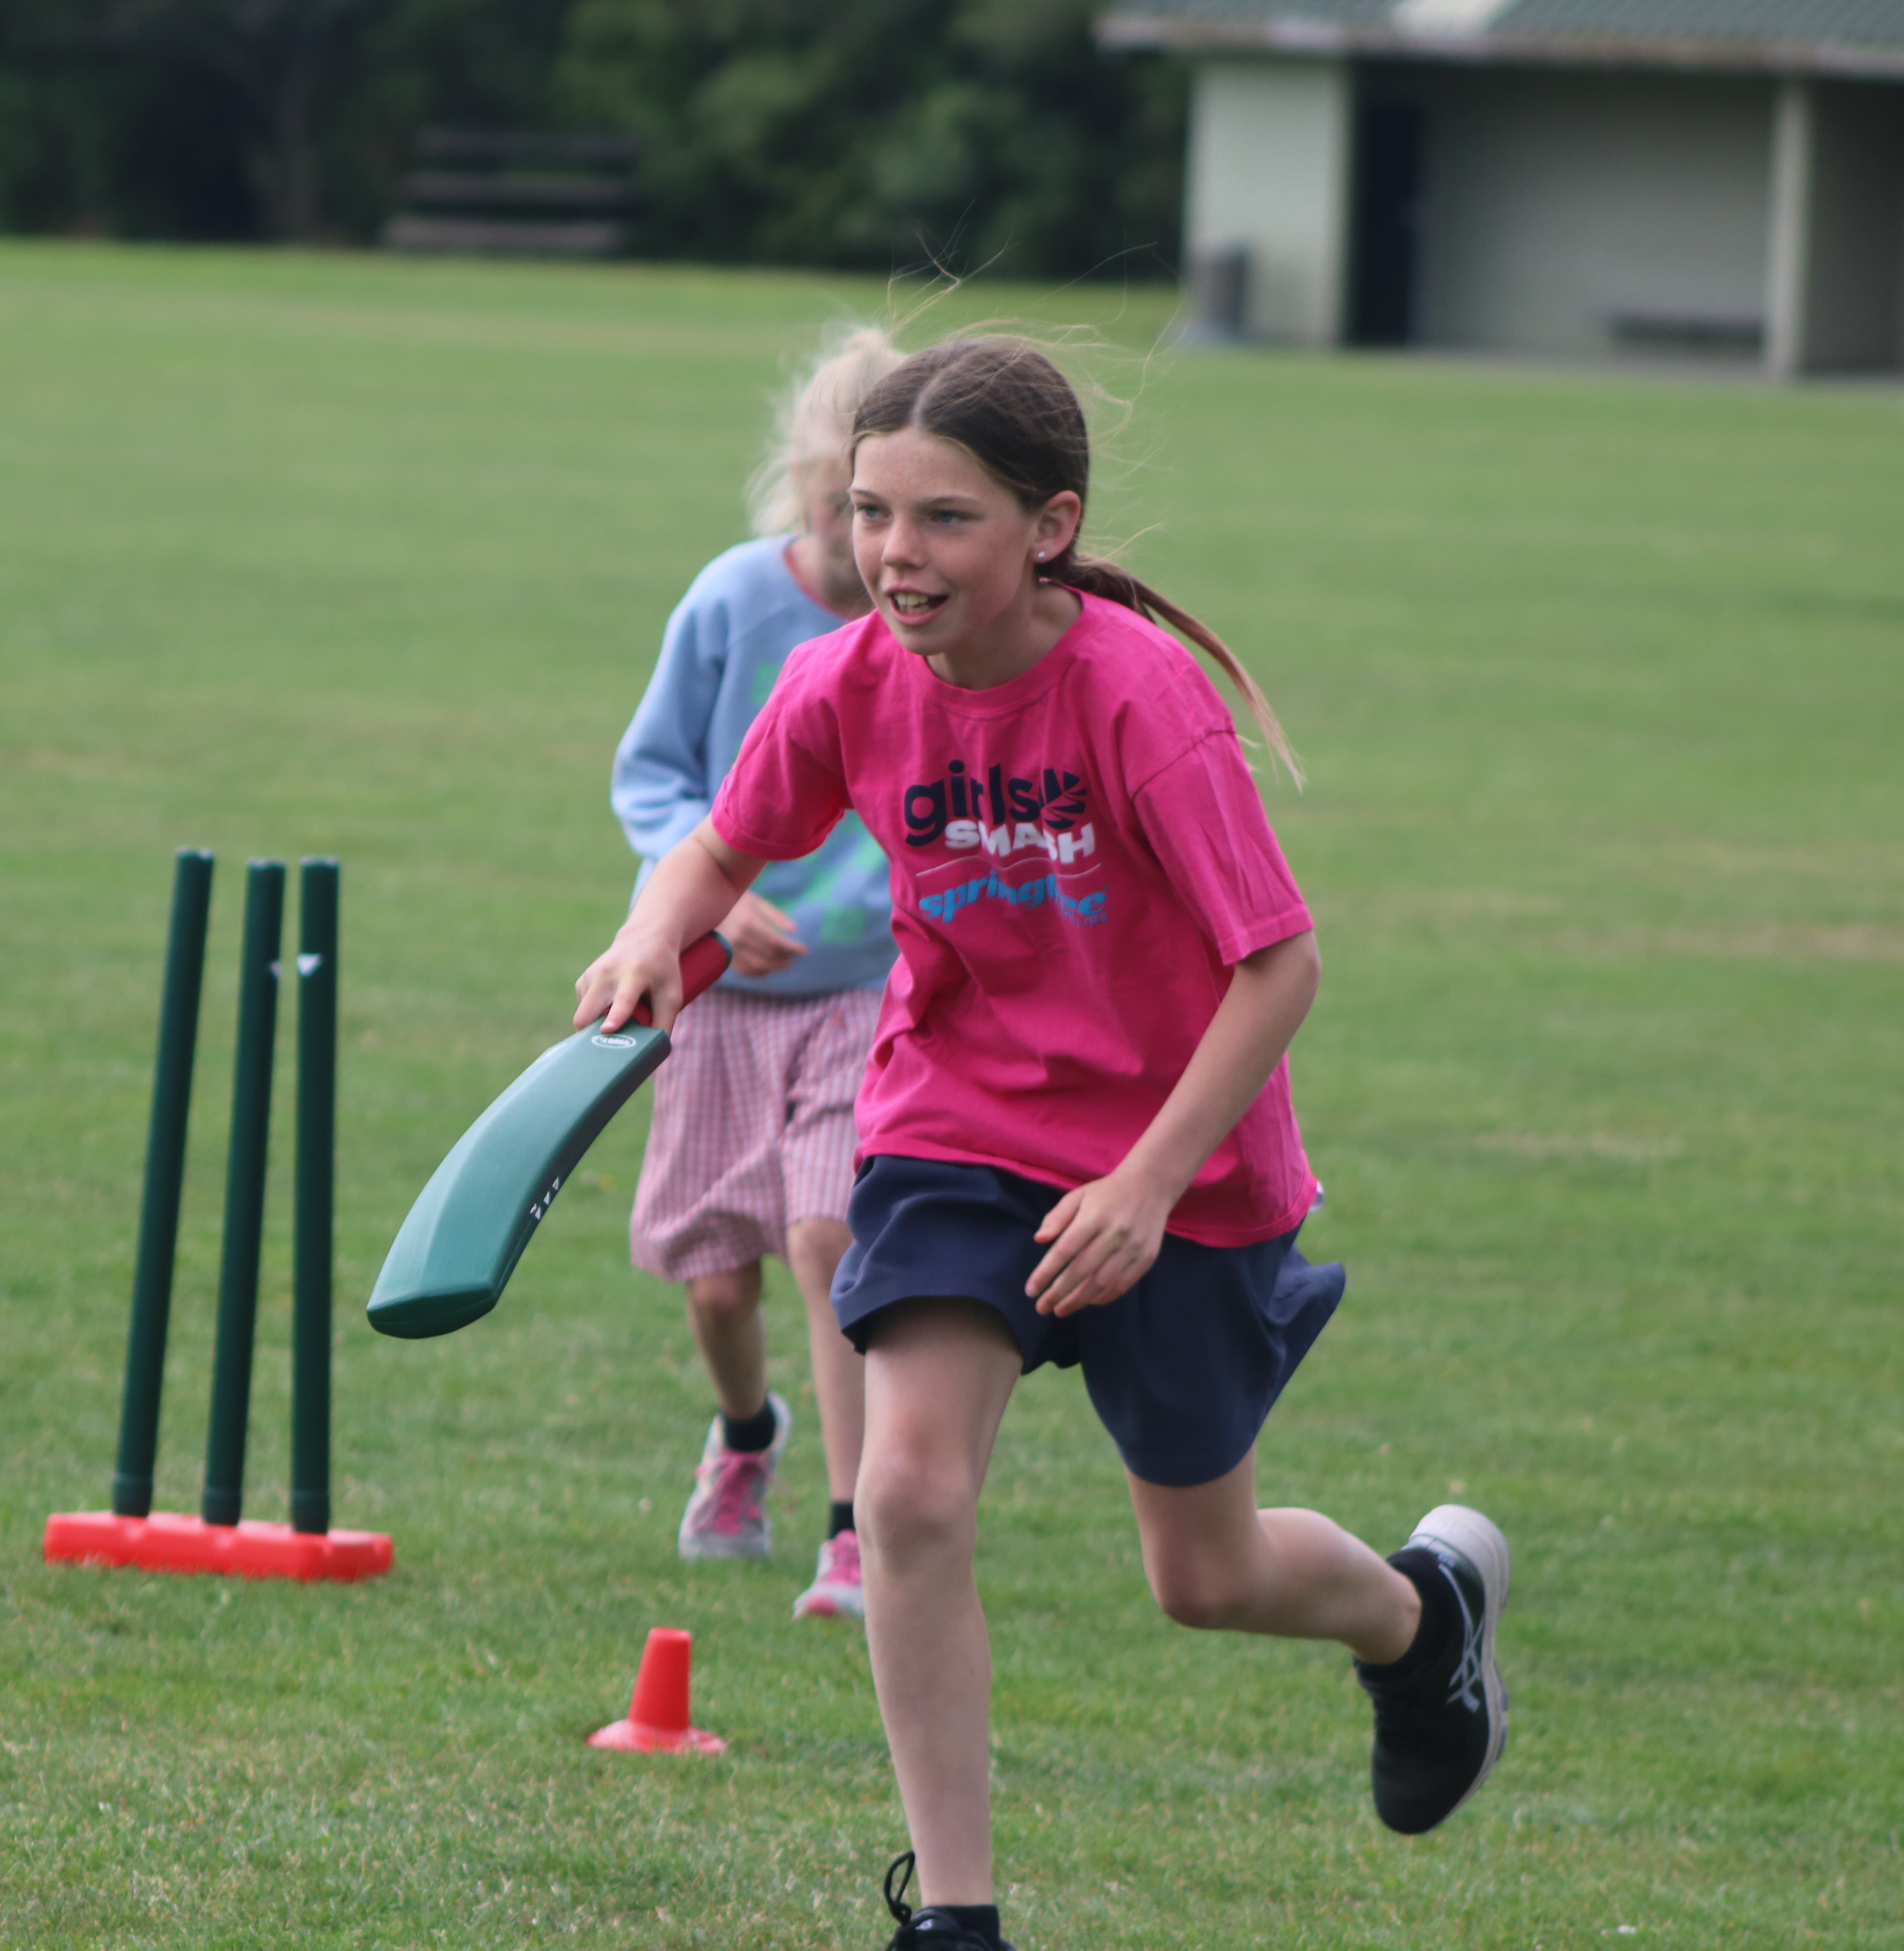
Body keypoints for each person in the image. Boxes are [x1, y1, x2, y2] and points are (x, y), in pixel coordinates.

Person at [575, 338, 1510, 1951]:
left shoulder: (1142, 701)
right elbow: (719, 846)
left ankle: (1421, 1619)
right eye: (871, 515)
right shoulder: (845, 679)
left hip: (1180, 1162)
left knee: (1202, 1579)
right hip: (957, 1126)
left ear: (1047, 528)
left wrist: (1147, 1186)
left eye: (943, 521)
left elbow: (1280, 967)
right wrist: (657, 933)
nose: (894, 557)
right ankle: (957, 1919)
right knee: (913, 1494)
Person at [611, 327, 905, 1620]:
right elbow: (654, 773)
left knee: (829, 1232)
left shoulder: (929, 633)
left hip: (867, 990)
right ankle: (745, 1438)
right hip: (720, 985)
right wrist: (715, 889)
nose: (888, 553)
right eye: (861, 515)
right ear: (809, 488)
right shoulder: (734, 602)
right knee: (720, 1276)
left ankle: (855, 1532)